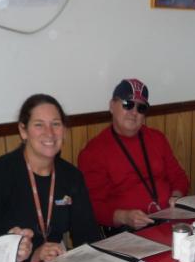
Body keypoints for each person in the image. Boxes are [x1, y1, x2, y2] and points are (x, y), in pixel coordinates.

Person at [0, 94, 100, 262]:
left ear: (64, 130)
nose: (49, 133)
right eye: (39, 125)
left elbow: (87, 235)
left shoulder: (71, 176)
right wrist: (21, 254)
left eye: (56, 124)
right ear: (23, 130)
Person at [78, 79, 189, 233]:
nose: (134, 112)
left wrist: (176, 197)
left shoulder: (157, 138)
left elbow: (179, 177)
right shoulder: (94, 152)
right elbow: (92, 205)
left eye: (141, 107)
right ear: (112, 106)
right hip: (127, 231)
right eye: (128, 104)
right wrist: (123, 217)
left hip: (169, 220)